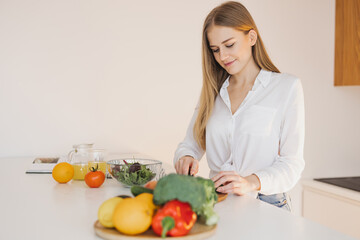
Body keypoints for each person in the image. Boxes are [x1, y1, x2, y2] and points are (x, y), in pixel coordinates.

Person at [173, 1, 305, 211]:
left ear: (251, 37)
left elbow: (292, 164)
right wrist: (186, 157)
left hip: (266, 205)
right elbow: (189, 144)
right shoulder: (212, 92)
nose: (222, 57)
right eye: (215, 50)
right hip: (216, 203)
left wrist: (250, 181)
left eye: (229, 44)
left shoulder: (286, 88)